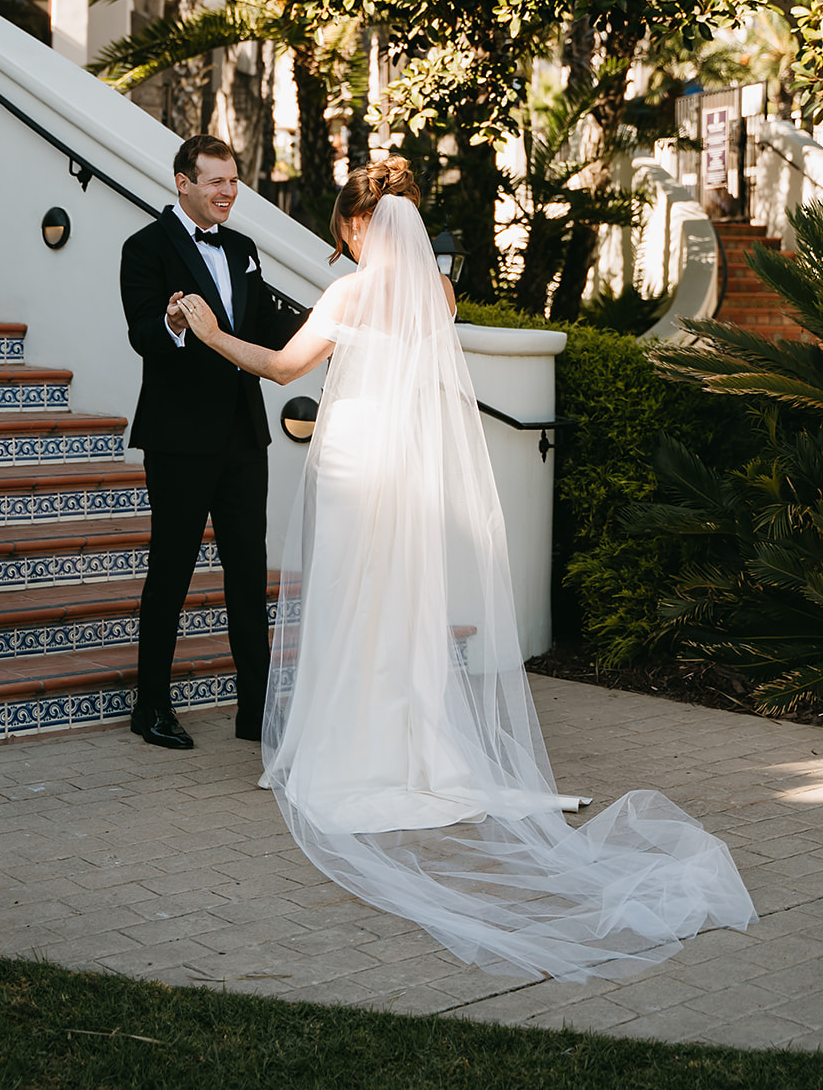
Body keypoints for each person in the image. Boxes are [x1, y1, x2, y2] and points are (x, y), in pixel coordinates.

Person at [179, 155, 756, 981]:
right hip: (408, 471)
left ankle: (349, 748)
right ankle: (411, 743)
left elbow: (279, 367)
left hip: (354, 466)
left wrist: (208, 331)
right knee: (402, 600)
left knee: (350, 601)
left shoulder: (346, 294)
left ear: (353, 225)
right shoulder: (437, 297)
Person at [120, 134, 302, 750]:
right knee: (170, 572)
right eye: (216, 182)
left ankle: (255, 712)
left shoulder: (244, 248)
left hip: (244, 438)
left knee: (249, 574)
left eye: (233, 181)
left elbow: (267, 325)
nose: (229, 192)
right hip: (178, 438)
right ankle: (150, 708)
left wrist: (333, 319)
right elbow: (143, 331)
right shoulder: (144, 247)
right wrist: (174, 323)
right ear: (183, 182)